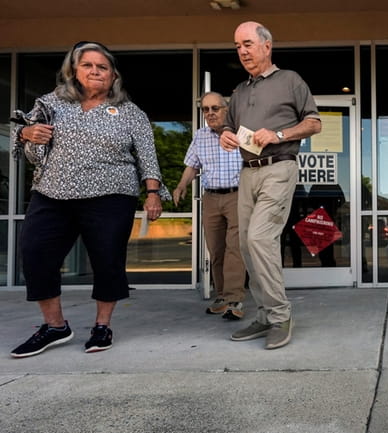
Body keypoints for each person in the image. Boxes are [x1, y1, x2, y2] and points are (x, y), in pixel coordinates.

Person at [10, 41, 171, 358]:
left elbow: (148, 157)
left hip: (111, 195)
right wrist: (26, 135)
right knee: (34, 252)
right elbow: (25, 134)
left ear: (113, 75)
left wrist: (152, 193)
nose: (95, 71)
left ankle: (102, 326)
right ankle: (55, 326)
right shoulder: (52, 103)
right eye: (88, 65)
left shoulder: (129, 112)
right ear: (73, 70)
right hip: (52, 193)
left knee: (107, 261)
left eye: (103, 67)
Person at [220, 21, 321, 349]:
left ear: (266, 45)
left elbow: (314, 123)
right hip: (247, 171)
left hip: (279, 167)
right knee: (247, 246)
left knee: (260, 238)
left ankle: (279, 315)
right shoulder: (240, 91)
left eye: (247, 43)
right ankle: (265, 314)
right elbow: (229, 127)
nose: (242, 51)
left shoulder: (290, 80)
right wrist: (225, 135)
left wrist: (279, 134)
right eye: (237, 46)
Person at [174, 91, 247, 320]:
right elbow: (192, 166)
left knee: (235, 249)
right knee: (216, 250)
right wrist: (181, 185)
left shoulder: (240, 133)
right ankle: (223, 296)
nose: (210, 113)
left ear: (226, 109)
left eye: (215, 108)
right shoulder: (200, 136)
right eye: (206, 109)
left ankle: (235, 299)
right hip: (211, 198)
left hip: (237, 195)